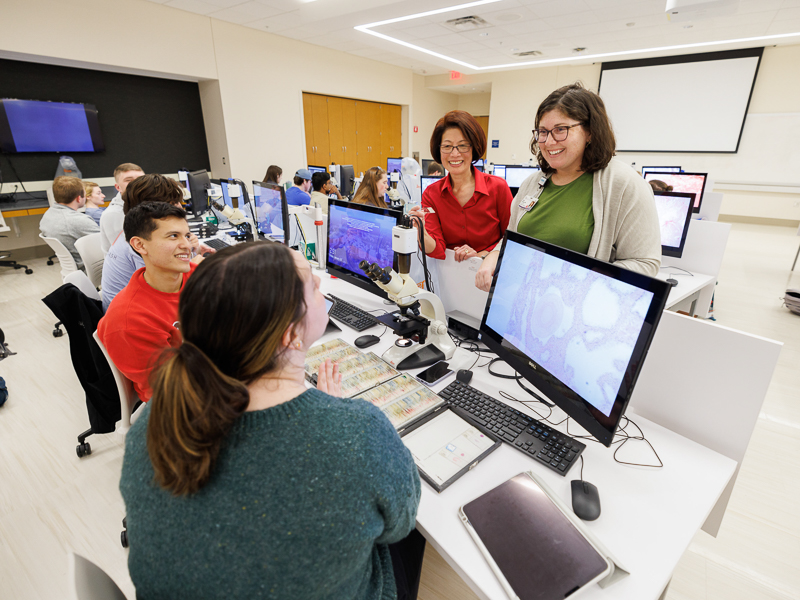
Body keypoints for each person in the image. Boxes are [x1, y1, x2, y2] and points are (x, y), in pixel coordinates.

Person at [119, 241, 424, 600]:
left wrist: (324, 419)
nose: (322, 290)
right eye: (313, 285)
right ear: (290, 334)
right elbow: (399, 524)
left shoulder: (156, 416)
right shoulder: (360, 434)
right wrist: (335, 424)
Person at [476, 83, 661, 291]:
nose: (548, 141)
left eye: (561, 130)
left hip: (577, 310)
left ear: (590, 132)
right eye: (543, 132)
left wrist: (580, 280)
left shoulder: (625, 184)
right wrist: (493, 256)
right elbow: (511, 238)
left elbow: (645, 263)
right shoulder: (532, 183)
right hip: (521, 297)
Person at [98, 203, 200, 402]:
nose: (187, 246)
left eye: (186, 236)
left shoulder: (197, 277)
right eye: (173, 236)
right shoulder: (129, 319)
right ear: (140, 245)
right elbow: (169, 394)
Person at [409, 111, 513, 262]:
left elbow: (510, 238)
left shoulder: (498, 187)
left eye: (462, 146)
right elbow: (437, 250)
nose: (455, 153)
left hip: (490, 271)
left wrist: (480, 255)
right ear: (439, 150)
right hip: (450, 274)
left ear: (474, 148)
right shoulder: (431, 194)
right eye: (447, 146)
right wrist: (421, 232)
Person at [100, 174, 210, 312]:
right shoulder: (144, 246)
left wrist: (192, 250)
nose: (181, 209)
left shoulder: (137, 232)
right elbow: (169, 292)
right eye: (174, 204)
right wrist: (195, 267)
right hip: (140, 314)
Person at [39, 176, 100, 270]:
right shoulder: (79, 220)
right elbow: (105, 246)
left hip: (70, 269)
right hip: (90, 269)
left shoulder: (47, 215)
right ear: (79, 198)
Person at [100, 162, 145, 254]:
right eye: (129, 180)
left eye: (141, 179)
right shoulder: (114, 214)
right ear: (118, 187)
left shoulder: (143, 204)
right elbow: (127, 252)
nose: (137, 183)